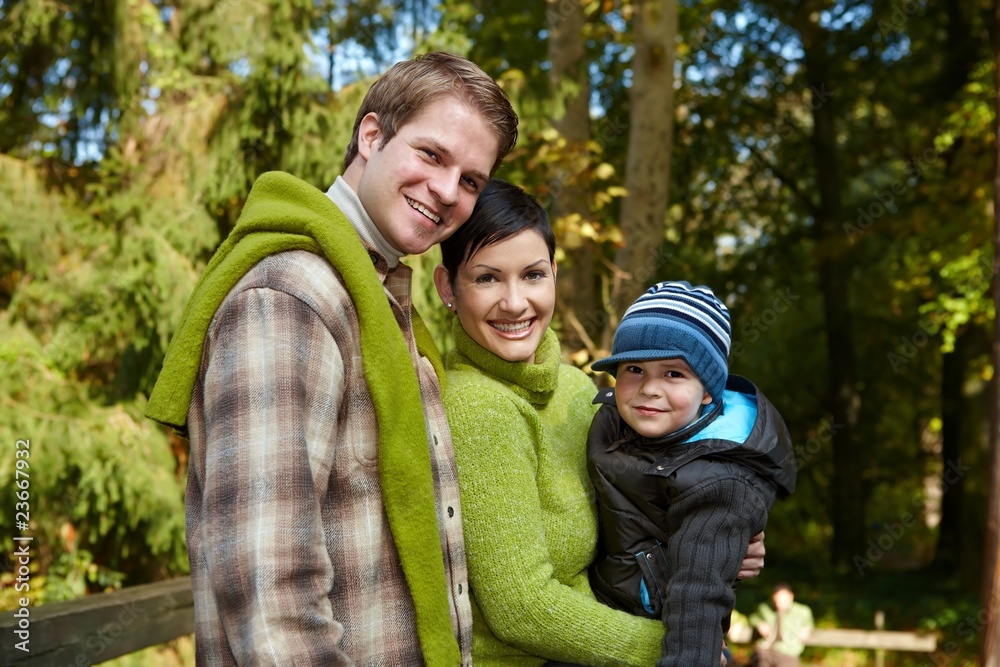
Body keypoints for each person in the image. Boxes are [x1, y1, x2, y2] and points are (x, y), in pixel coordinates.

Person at [144, 52, 518, 665]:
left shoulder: (375, 296)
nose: (448, 191)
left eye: (471, 180)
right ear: (372, 135)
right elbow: (271, 594)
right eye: (431, 155)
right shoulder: (291, 297)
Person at [433, 179, 766, 666]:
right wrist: (681, 650)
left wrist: (721, 542)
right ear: (448, 288)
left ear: (553, 274)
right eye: (486, 278)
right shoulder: (478, 408)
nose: (514, 302)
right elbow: (520, 610)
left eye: (532, 275)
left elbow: (636, 509)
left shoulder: (576, 390)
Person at [586, 280, 798, 666]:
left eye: (673, 374)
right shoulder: (611, 427)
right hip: (597, 613)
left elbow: (698, 601)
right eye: (635, 368)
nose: (649, 388)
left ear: (707, 392)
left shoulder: (722, 481)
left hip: (661, 638)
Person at [749, 583, 814, 667]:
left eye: (783, 600)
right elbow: (753, 617)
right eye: (777, 600)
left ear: (791, 596)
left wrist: (806, 631)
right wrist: (759, 624)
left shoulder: (802, 612)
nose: (779, 603)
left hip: (788, 651)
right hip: (765, 650)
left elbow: (808, 626)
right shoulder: (765, 609)